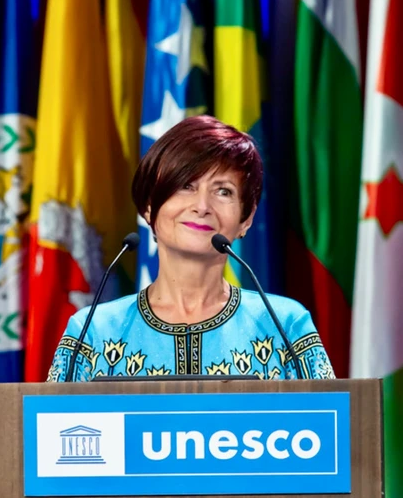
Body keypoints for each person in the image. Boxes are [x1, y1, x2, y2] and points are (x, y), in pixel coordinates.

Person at [46, 116, 335, 381]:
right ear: (149, 207)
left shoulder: (285, 326)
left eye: (223, 191)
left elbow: (332, 418)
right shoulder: (93, 332)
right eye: (186, 185)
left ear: (246, 219)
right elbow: (51, 420)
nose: (202, 206)